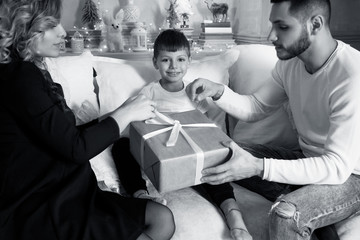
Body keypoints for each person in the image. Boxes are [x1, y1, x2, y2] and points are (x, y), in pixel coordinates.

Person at [0, 0, 175, 239]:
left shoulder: (29, 70)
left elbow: (64, 135)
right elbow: (76, 148)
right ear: (24, 29)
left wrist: (119, 115)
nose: (62, 32)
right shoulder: (20, 77)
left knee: (161, 217)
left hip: (70, 189)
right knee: (157, 223)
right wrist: (125, 115)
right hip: (43, 202)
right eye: (51, 26)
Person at [186, 0, 360, 239]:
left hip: (352, 175)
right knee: (221, 155)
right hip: (309, 159)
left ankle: (302, 206)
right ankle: (310, 208)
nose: (271, 36)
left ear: (315, 24)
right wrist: (219, 92)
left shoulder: (351, 74)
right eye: (272, 26)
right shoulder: (290, 64)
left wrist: (258, 167)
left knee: (285, 215)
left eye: (282, 27)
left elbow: (337, 166)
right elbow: (256, 107)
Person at [112, 29, 252, 240]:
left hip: (190, 153)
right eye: (166, 60)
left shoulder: (195, 91)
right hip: (159, 150)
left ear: (189, 61)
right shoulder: (149, 91)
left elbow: (205, 128)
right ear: (155, 62)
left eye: (180, 59)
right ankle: (140, 195)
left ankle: (234, 216)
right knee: (121, 146)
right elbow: (136, 120)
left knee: (216, 164)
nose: (174, 66)